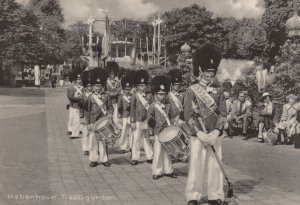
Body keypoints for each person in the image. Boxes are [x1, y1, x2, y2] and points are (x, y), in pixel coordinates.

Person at [184, 42, 227, 205]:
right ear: (200, 70)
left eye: (212, 71)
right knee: (196, 165)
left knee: (215, 165)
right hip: (198, 135)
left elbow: (223, 113)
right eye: (207, 71)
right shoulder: (192, 90)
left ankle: (215, 195)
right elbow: (188, 115)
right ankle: (193, 196)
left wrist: (216, 131)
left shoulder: (220, 90)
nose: (209, 75)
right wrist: (200, 133)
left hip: (214, 134)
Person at [147, 75, 177, 180]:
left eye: (164, 94)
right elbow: (150, 122)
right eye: (159, 94)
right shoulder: (152, 106)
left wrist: (174, 124)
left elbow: (172, 116)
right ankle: (157, 171)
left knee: (168, 152)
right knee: (158, 152)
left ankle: (169, 170)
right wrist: (150, 134)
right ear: (155, 94)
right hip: (157, 133)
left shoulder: (168, 105)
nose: (162, 96)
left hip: (167, 132)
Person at [86, 67, 112, 167]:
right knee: (93, 141)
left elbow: (110, 107)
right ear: (93, 86)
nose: (97, 88)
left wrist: (110, 113)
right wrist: (88, 123)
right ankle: (93, 159)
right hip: (93, 121)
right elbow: (87, 111)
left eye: (99, 86)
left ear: (102, 86)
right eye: (96, 86)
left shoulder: (107, 96)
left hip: (103, 121)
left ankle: (104, 159)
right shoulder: (90, 97)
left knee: (103, 141)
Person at [130, 70, 154, 166]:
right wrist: (132, 121)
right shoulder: (134, 96)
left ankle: (149, 156)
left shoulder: (150, 95)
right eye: (140, 86)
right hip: (137, 121)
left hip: (146, 121)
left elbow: (152, 107)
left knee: (147, 138)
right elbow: (132, 109)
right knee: (136, 139)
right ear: (137, 86)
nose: (142, 88)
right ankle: (135, 157)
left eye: (144, 85)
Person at [117, 70, 135, 154]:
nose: (127, 91)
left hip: (131, 116)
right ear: (123, 89)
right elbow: (119, 107)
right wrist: (119, 117)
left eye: (129, 89)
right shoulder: (121, 96)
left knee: (132, 131)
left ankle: (131, 146)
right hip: (124, 115)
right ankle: (123, 146)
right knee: (124, 131)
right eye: (126, 89)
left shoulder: (133, 96)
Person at [66, 71, 83, 138]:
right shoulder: (72, 87)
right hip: (73, 105)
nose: (79, 80)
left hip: (80, 105)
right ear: (75, 80)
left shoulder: (83, 88)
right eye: (78, 79)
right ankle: (70, 129)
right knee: (71, 118)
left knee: (78, 119)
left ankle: (77, 131)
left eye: (80, 79)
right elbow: (70, 96)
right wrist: (79, 98)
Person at [80, 69, 92, 155]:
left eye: (91, 86)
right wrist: (81, 117)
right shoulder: (83, 95)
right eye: (88, 86)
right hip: (86, 116)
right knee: (85, 133)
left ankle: (93, 147)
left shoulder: (96, 95)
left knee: (93, 133)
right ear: (86, 86)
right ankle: (85, 148)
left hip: (94, 116)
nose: (90, 88)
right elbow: (81, 107)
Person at [106, 61, 122, 127]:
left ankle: (115, 128)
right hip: (108, 102)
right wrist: (113, 93)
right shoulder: (106, 82)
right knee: (109, 116)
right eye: (110, 73)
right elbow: (106, 91)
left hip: (116, 101)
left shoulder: (118, 82)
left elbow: (119, 90)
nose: (112, 75)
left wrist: (113, 93)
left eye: (113, 73)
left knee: (115, 116)